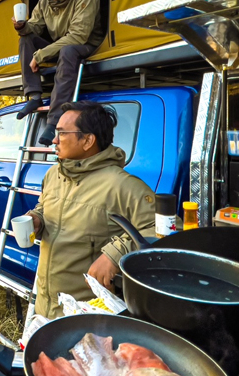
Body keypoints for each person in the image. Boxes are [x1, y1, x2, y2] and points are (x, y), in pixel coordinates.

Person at [27, 101, 156, 319]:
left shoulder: (122, 185)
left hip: (88, 316)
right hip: (45, 308)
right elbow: (43, 206)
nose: (54, 140)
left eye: (61, 133)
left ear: (87, 140)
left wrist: (115, 255)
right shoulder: (53, 175)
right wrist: (36, 218)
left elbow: (162, 230)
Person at [14, 0, 105, 145]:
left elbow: (78, 36)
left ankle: (54, 121)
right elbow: (35, 27)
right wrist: (23, 27)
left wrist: (40, 55)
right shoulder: (44, 1)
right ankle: (34, 95)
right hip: (62, 48)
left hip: (86, 45)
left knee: (68, 50)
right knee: (25, 38)